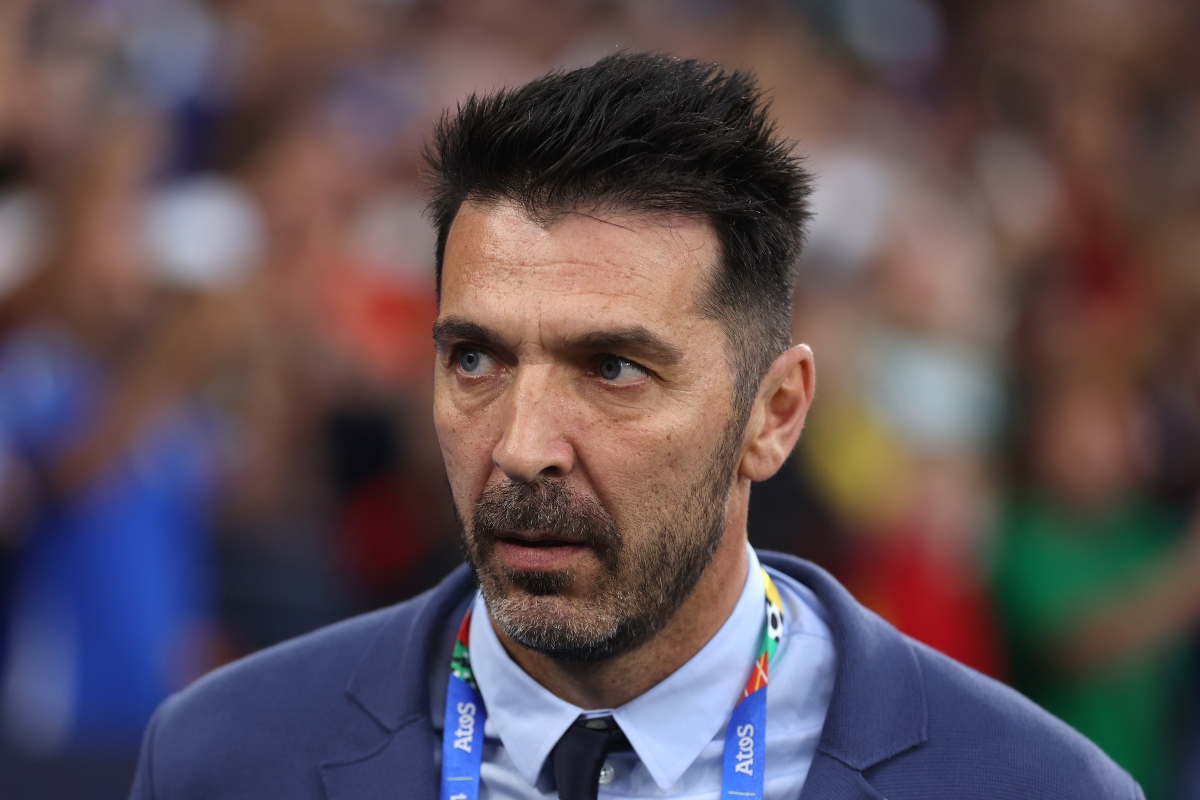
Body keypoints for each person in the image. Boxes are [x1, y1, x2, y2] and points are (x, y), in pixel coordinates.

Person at [128, 54, 1140, 800]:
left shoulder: (1032, 784)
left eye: (611, 368)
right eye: (475, 358)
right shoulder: (221, 757)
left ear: (773, 414)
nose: (522, 445)